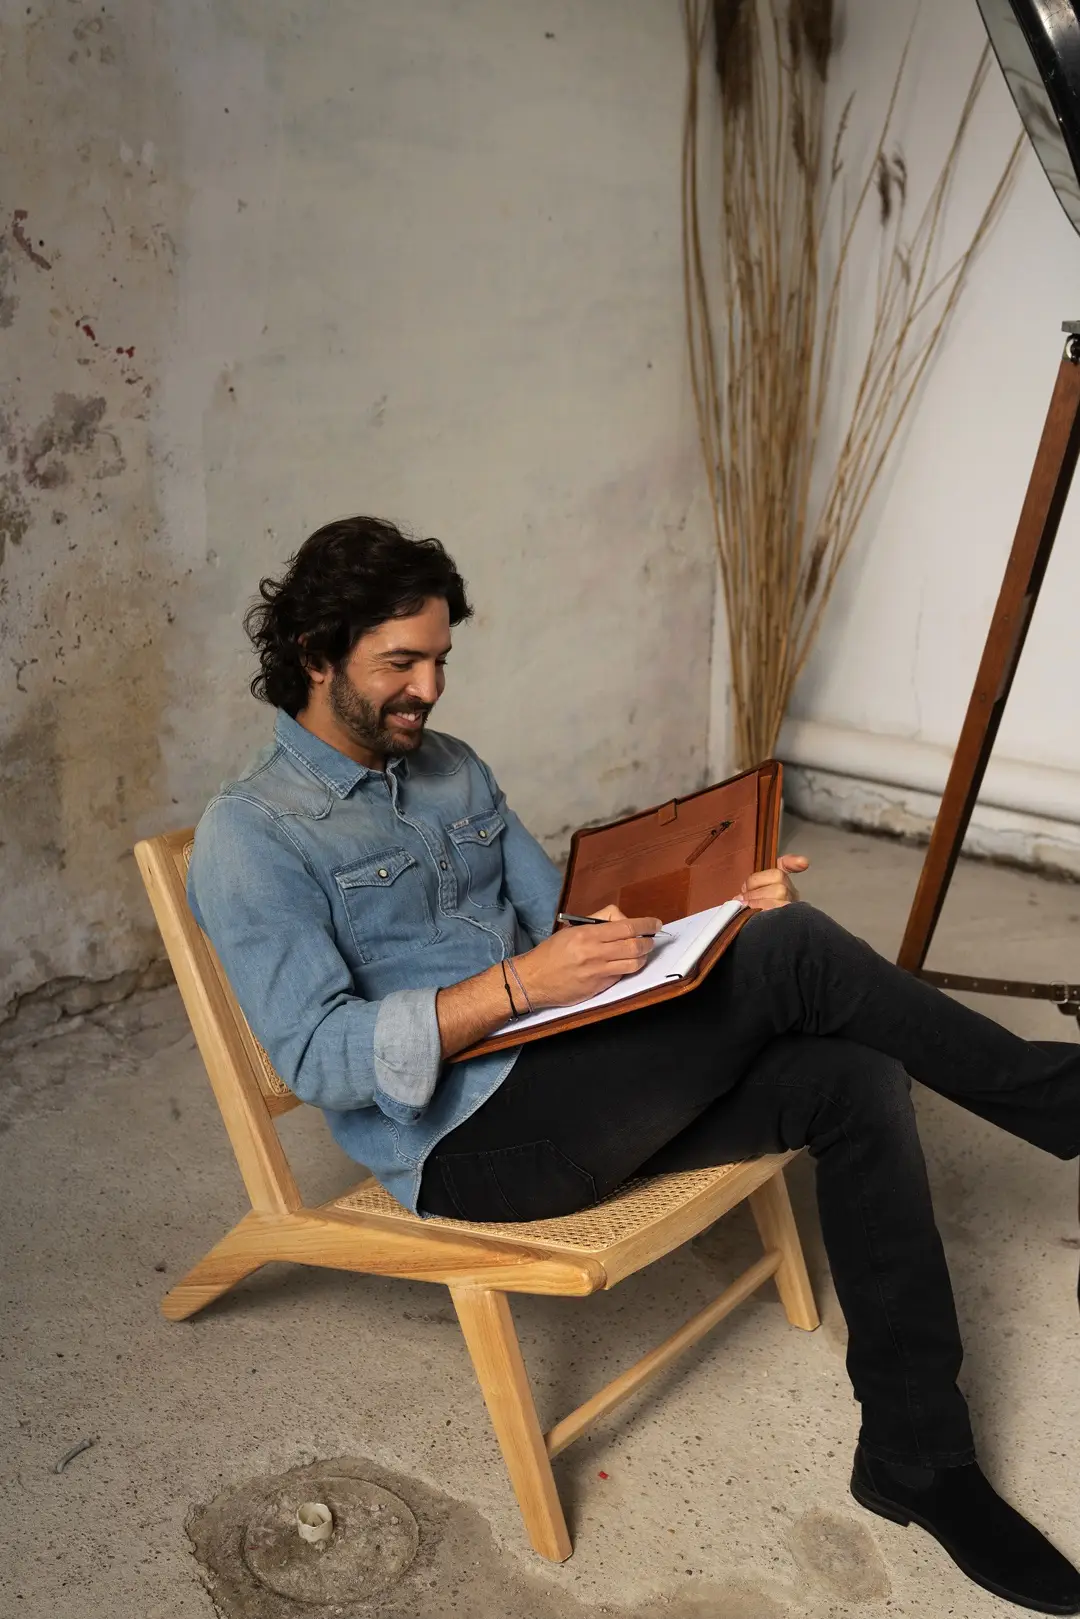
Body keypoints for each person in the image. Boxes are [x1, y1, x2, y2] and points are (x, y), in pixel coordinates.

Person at [189, 515, 1080, 1616]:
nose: (430, 689)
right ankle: (1063, 1101)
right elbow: (321, 1057)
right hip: (466, 1144)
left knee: (849, 1072)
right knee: (795, 953)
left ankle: (918, 1456)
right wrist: (519, 986)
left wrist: (718, 906)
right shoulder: (253, 835)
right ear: (315, 656)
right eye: (400, 664)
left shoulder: (450, 768)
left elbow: (570, 925)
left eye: (441, 660)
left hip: (576, 1074)